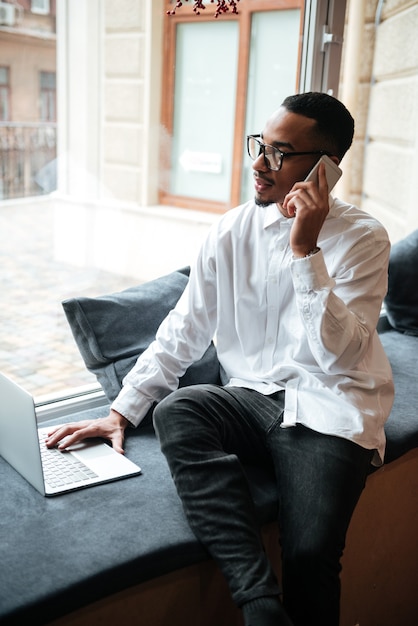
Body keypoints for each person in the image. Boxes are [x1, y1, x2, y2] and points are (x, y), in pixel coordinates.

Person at [46, 92, 394, 626]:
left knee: (309, 557)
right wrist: (121, 411)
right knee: (179, 409)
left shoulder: (364, 239)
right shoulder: (230, 230)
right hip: (250, 401)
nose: (258, 164)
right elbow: (185, 326)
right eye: (261, 145)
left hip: (332, 408)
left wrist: (306, 252)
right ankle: (258, 606)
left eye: (280, 153)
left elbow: (337, 355)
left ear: (325, 169)